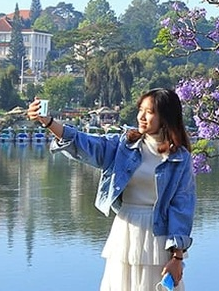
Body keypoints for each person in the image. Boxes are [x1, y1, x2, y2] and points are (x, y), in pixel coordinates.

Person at [28, 88, 196, 291]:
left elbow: (182, 208)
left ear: (166, 117)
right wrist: (48, 122)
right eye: (140, 110)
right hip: (125, 231)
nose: (141, 117)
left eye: (150, 112)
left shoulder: (180, 158)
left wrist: (177, 258)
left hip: (158, 240)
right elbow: (86, 144)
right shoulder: (124, 146)